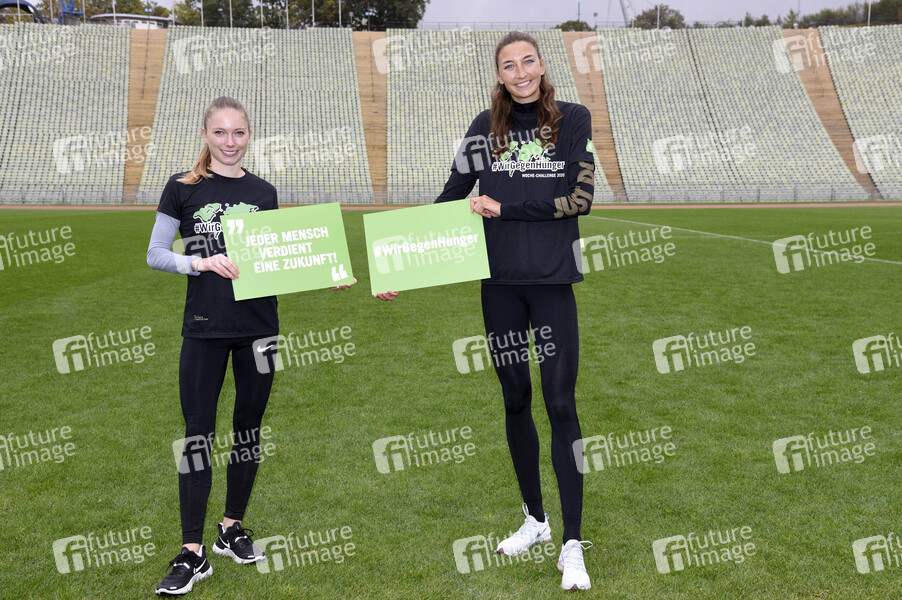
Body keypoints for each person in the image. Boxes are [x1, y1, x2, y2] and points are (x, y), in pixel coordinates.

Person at [376, 31, 595, 590]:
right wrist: (400, 265)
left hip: (551, 282)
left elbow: (580, 200)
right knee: (515, 399)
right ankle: (535, 521)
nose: (520, 72)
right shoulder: (484, 129)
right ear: (499, 75)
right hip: (498, 286)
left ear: (542, 66)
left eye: (528, 61)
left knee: (560, 403)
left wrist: (504, 207)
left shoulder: (572, 119)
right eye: (509, 65)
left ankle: (572, 544)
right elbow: (452, 194)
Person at [146, 96, 279, 596]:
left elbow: (274, 258)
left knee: (248, 429)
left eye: (238, 132)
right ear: (205, 135)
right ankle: (192, 551)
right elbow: (155, 253)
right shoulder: (182, 188)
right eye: (220, 132)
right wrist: (199, 263)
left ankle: (230, 528)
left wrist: (322, 271)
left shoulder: (264, 192)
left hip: (258, 327)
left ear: (249, 136)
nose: (230, 142)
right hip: (204, 327)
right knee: (198, 435)